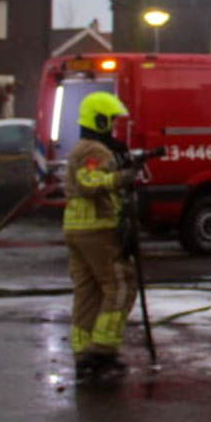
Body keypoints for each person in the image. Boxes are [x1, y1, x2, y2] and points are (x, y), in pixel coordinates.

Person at [62, 91, 141, 381]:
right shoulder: (94, 151)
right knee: (121, 286)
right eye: (111, 121)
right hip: (97, 229)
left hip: (77, 230)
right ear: (99, 120)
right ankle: (103, 351)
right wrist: (123, 177)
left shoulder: (81, 148)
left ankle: (84, 354)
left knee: (88, 293)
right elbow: (90, 182)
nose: (114, 128)